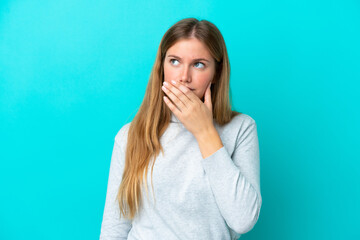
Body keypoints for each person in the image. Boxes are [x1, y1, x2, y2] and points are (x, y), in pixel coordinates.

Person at [99, 17, 262, 240]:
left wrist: (205, 131)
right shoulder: (130, 135)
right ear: (162, 67)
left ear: (216, 72)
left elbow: (243, 220)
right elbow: (114, 228)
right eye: (174, 61)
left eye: (198, 64)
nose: (184, 77)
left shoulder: (241, 129)